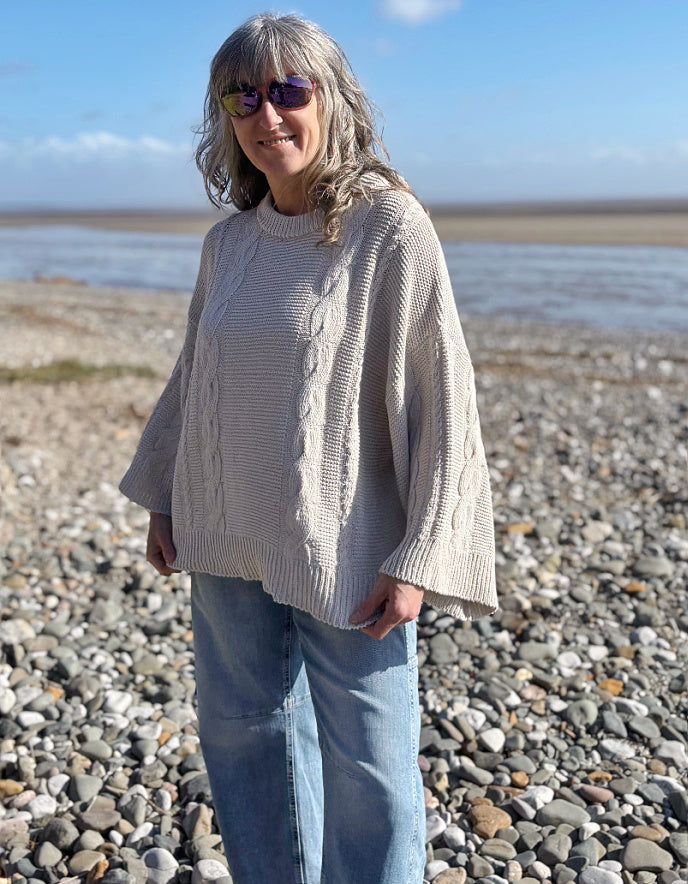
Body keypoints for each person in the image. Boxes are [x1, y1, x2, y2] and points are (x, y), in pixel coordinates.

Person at [119, 12, 498, 884]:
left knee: (370, 766)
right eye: (243, 95)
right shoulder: (230, 244)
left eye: (290, 90)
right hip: (223, 530)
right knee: (244, 734)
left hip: (350, 545)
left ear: (334, 101)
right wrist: (165, 495)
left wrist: (422, 553)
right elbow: (195, 377)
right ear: (226, 116)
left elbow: (444, 397)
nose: (268, 114)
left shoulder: (390, 229)